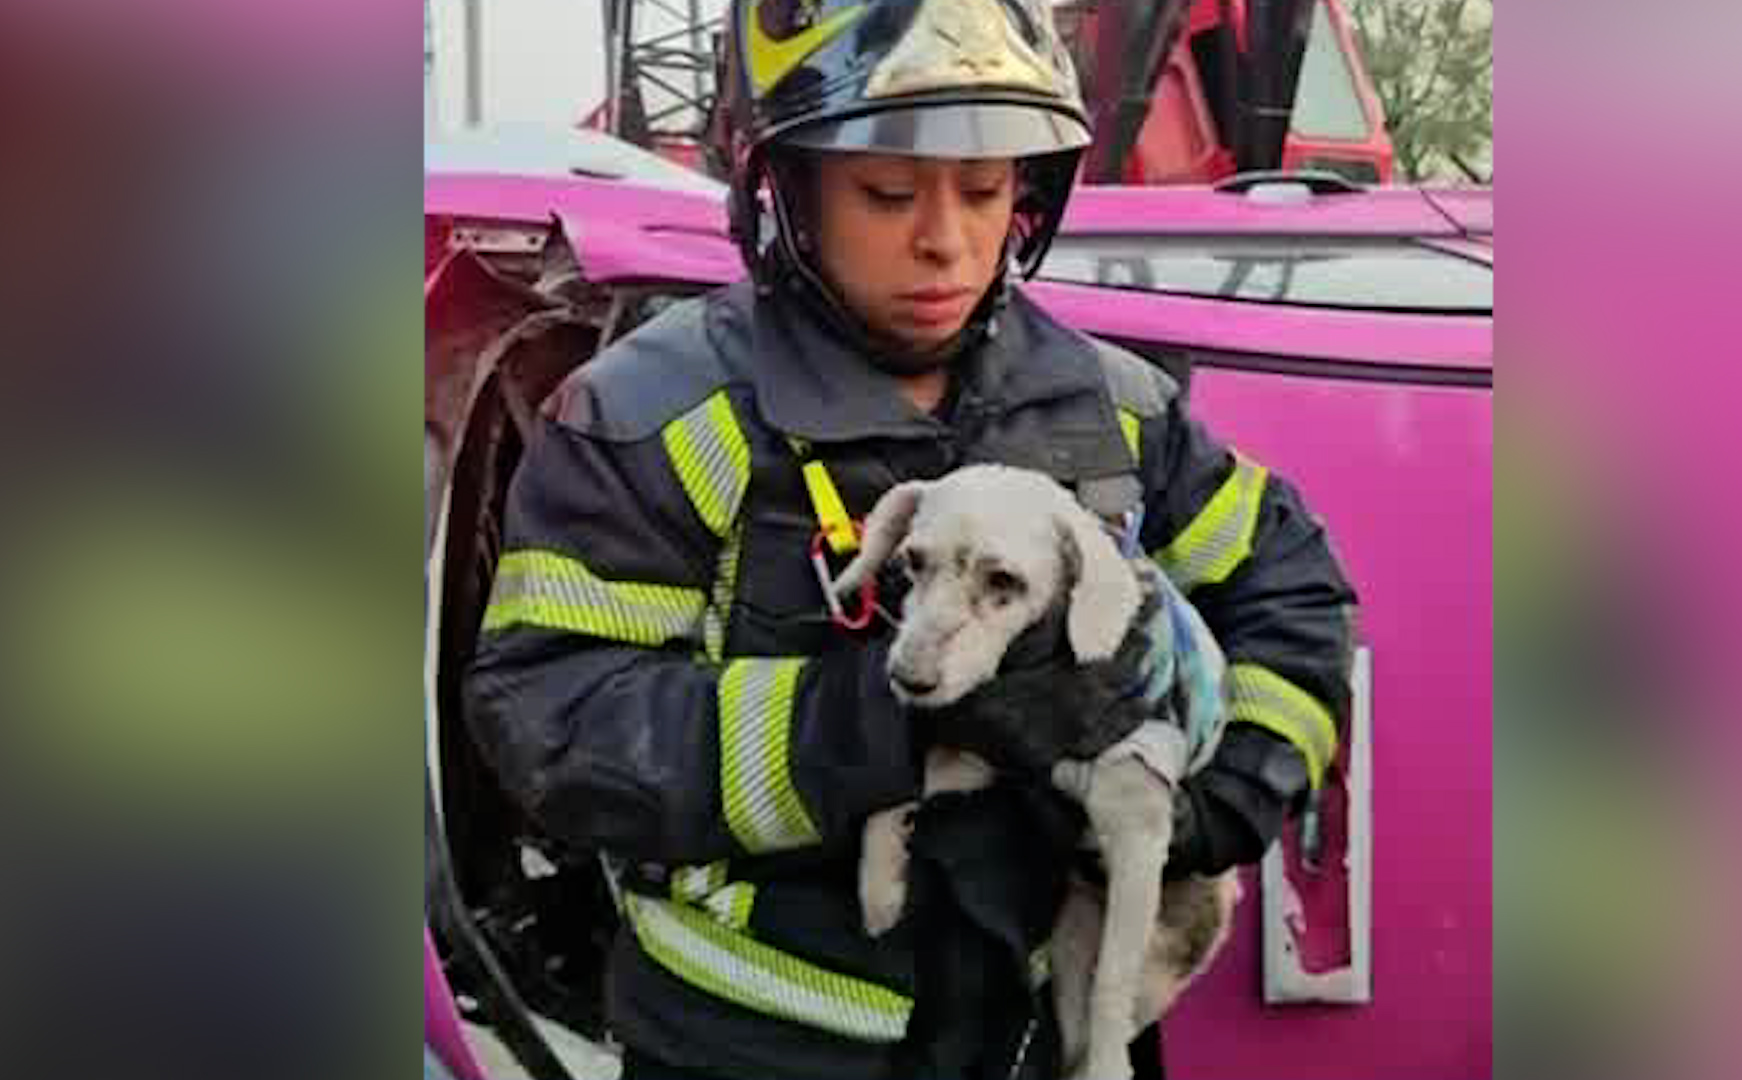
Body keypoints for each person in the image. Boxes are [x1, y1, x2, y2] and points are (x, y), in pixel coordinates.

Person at [463, 0, 1358, 1077]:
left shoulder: (1110, 407)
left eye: (985, 191)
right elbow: (552, 720)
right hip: (760, 1047)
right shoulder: (654, 422)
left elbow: (1290, 591)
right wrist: (868, 722)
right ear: (786, 189)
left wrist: (1232, 792)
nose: (946, 240)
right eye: (889, 194)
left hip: (1043, 1038)